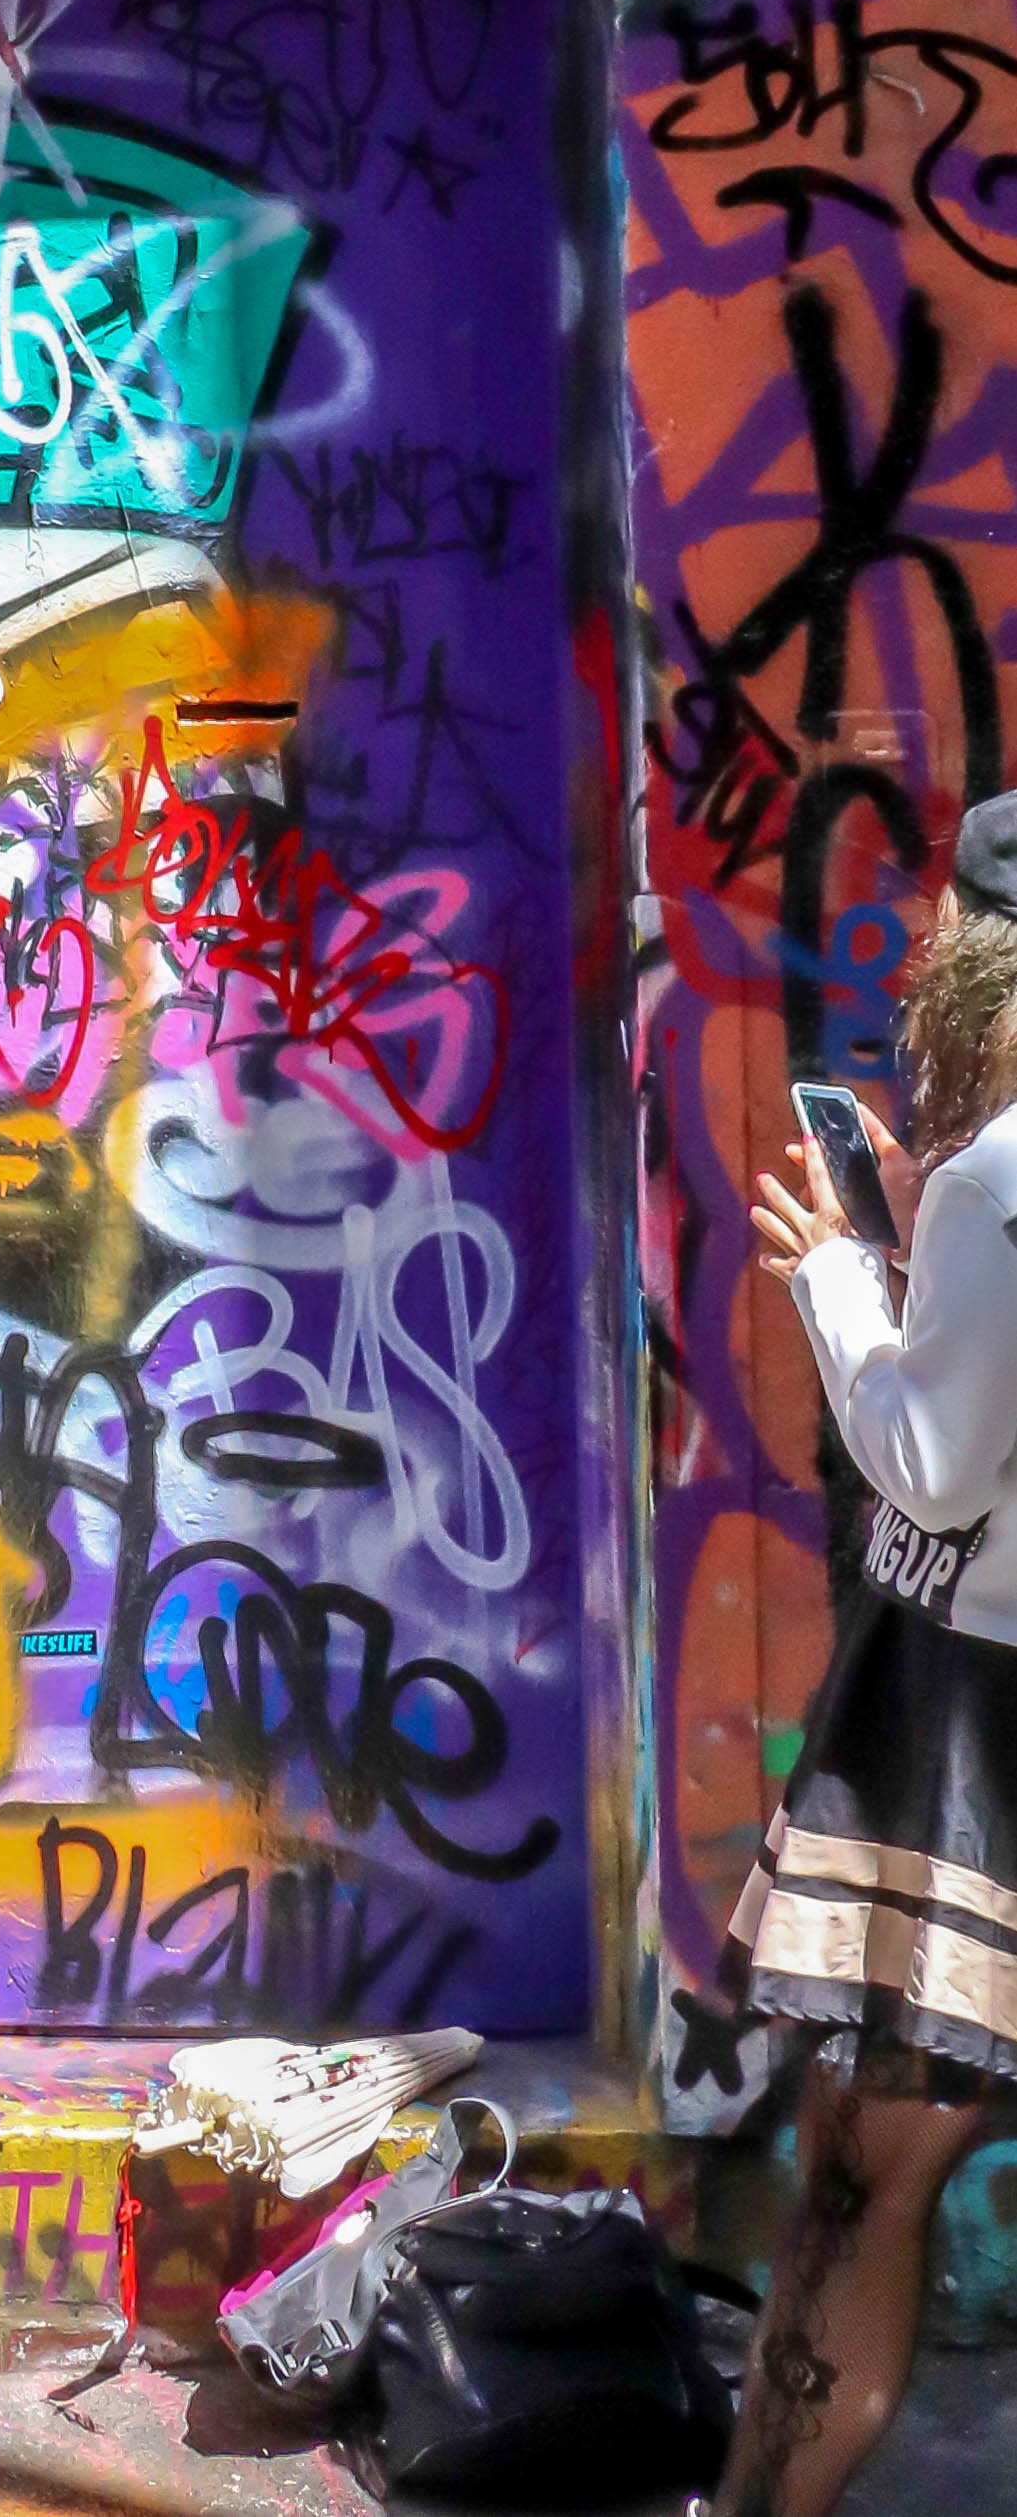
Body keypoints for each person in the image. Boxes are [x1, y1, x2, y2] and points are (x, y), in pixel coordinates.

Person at [709, 796, 1017, 2517]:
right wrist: (917, 1257)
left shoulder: (999, 1168)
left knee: (858, 2166)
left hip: (964, 1717)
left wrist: (835, 1278)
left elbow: (932, 1463)